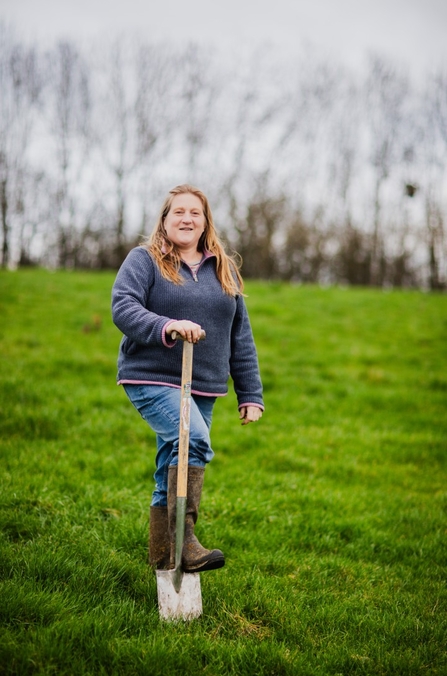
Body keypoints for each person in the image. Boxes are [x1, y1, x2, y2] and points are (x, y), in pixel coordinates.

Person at [111, 184, 264, 574]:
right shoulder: (144, 260)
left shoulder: (223, 268)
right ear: (164, 220)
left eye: (195, 213)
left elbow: (239, 335)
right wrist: (168, 325)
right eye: (178, 212)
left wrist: (250, 393)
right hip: (152, 376)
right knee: (193, 439)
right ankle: (188, 541)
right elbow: (123, 307)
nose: (186, 218)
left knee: (173, 463)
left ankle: (165, 558)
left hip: (203, 385)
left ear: (205, 222)